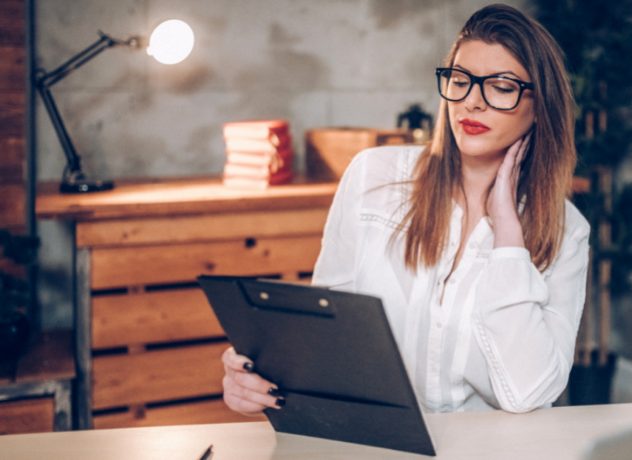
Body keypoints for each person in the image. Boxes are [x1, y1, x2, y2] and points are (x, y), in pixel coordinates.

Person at [221, 3, 589, 415]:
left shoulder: (567, 231)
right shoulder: (373, 177)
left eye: (501, 87)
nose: (471, 103)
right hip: (378, 445)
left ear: (540, 108)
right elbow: (329, 334)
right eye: (461, 80)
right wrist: (256, 374)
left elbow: (528, 395)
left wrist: (508, 236)